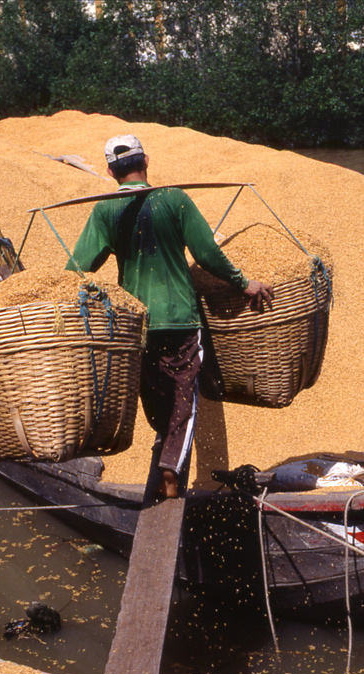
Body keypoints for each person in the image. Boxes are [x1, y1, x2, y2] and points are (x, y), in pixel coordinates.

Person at [65, 134, 273, 499]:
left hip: (135, 324)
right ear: (146, 161)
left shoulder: (105, 211)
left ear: (112, 171)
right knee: (183, 396)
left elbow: (78, 268)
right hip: (178, 317)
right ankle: (170, 470)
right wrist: (243, 283)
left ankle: (164, 450)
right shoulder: (174, 199)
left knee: (155, 391)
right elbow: (207, 253)